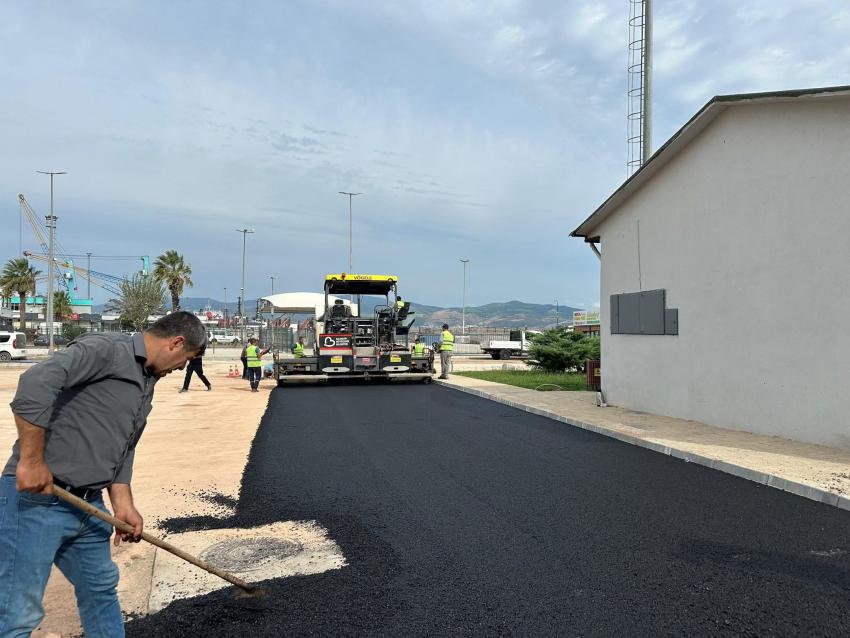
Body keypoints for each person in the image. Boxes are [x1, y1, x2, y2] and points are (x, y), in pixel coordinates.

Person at [0, 311, 206, 638]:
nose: (182, 368)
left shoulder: (147, 381)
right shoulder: (106, 350)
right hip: (38, 502)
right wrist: (31, 460)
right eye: (186, 359)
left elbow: (124, 443)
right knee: (17, 614)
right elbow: (35, 381)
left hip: (88, 506)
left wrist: (123, 503)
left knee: (101, 592)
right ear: (176, 343)